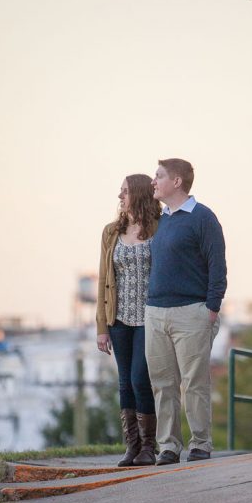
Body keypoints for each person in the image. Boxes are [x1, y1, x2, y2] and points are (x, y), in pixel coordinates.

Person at [144, 158, 227, 464]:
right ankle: (168, 446)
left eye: (158, 176)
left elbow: (218, 266)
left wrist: (211, 310)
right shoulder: (160, 220)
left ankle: (201, 444)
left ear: (176, 181)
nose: (154, 181)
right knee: (163, 385)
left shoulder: (203, 218)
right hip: (155, 312)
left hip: (192, 312)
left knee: (195, 383)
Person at [96, 174, 162, 466]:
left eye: (124, 191)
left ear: (137, 194)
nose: (120, 197)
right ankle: (132, 447)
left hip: (149, 319)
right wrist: (101, 328)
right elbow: (102, 281)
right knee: (125, 383)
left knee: (140, 379)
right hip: (119, 319)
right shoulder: (111, 232)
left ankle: (150, 446)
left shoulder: (160, 228)